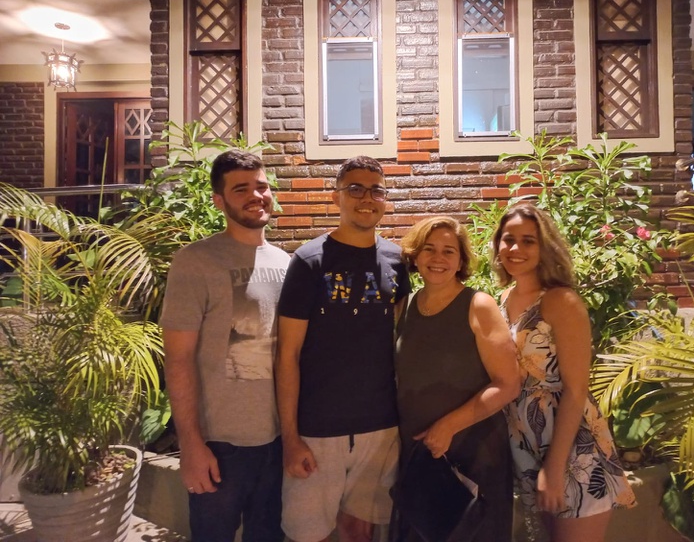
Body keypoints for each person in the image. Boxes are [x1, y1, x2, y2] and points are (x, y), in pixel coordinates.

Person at [276, 156, 411, 542]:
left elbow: (398, 341)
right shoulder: (309, 261)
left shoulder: (396, 261)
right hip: (318, 426)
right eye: (355, 188)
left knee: (360, 531)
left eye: (376, 190)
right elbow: (287, 355)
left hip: (379, 424)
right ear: (336, 196)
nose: (366, 198)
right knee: (307, 534)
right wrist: (290, 437)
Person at [161, 149, 289, 542]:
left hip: (277, 442)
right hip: (220, 445)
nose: (256, 196)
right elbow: (178, 358)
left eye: (261, 186)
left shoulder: (285, 263)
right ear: (219, 201)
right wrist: (190, 444)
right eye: (241, 189)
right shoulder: (195, 262)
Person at [491, 203, 637, 542]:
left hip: (571, 447)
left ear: (545, 247)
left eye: (528, 241)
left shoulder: (561, 301)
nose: (515, 248)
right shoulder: (503, 298)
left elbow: (575, 389)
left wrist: (555, 467)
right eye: (508, 239)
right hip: (527, 442)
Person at [393, 215, 520, 542]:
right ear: (415, 256)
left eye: (448, 251)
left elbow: (508, 383)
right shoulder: (405, 306)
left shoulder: (478, 305)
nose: (438, 258)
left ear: (461, 260)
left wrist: (448, 426)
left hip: (472, 456)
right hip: (420, 457)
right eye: (429, 249)